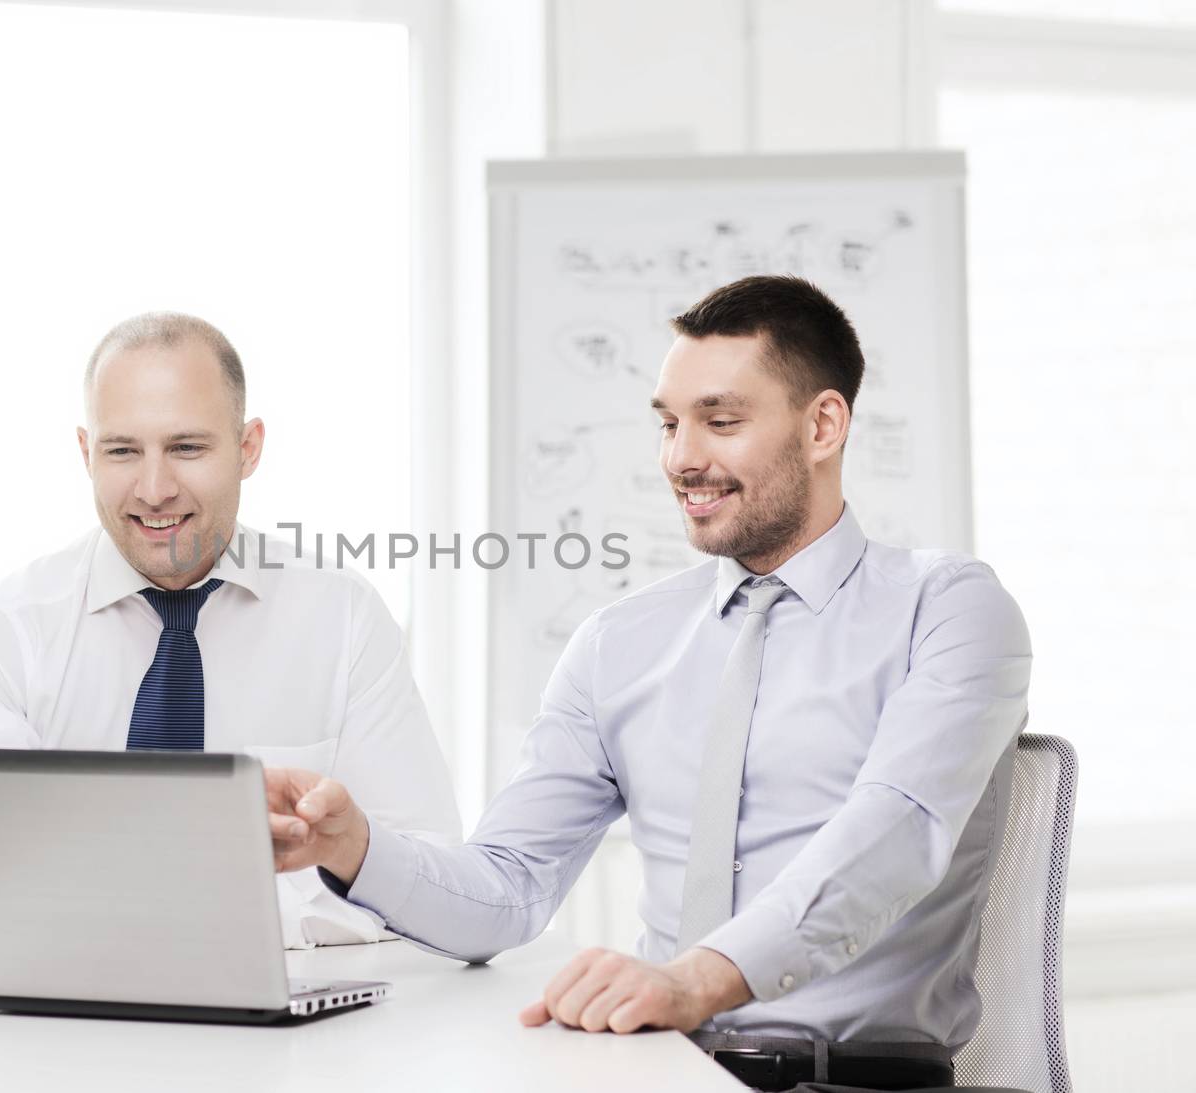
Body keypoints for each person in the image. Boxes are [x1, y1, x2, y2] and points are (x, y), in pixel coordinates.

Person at [267, 276, 1032, 1093]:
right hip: (651, 1069)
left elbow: (896, 832)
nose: (681, 457)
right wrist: (352, 848)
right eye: (669, 423)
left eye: (720, 421)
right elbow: (505, 891)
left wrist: (695, 979)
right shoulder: (617, 646)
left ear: (823, 424)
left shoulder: (946, 607)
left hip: (849, 1078)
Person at [0, 312, 461, 947]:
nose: (153, 489)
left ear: (248, 447)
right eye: (123, 451)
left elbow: (426, 877)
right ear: (86, 453)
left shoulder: (343, 620)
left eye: (187, 448)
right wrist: (292, 898)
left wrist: (113, 903)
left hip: (297, 1026)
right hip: (66, 1028)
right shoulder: (0, 638)